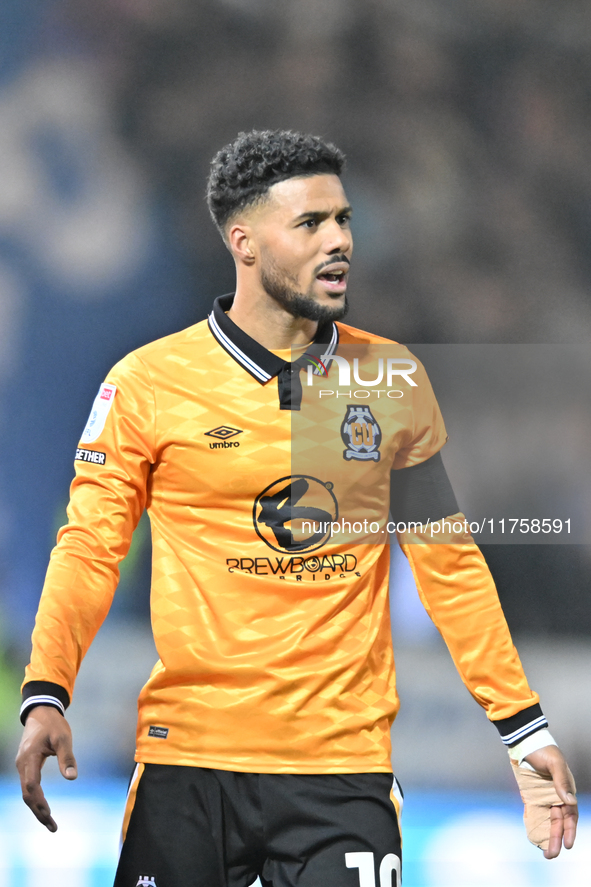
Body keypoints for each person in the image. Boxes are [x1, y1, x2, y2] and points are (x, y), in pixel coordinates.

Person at [16, 130, 577, 886]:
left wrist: (521, 726)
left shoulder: (386, 379)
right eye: (310, 224)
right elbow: (90, 546)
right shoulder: (149, 383)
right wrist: (46, 689)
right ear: (243, 242)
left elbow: (447, 562)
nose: (340, 240)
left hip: (340, 772)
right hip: (188, 760)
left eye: (343, 219)